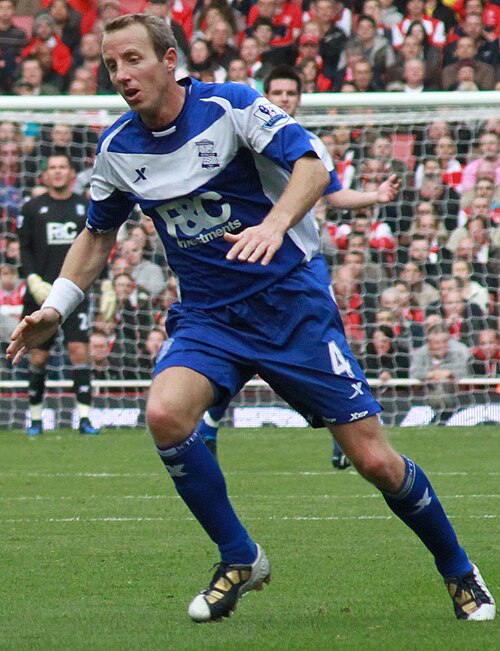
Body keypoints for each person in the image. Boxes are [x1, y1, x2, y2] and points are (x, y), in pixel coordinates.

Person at [7, 14, 495, 624]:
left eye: (133, 59)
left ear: (169, 58)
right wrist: (56, 306)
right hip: (209, 317)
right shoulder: (117, 149)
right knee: (163, 412)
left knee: (375, 461)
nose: (122, 75)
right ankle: (240, 557)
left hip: (291, 306)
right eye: (111, 65)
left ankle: (458, 570)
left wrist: (273, 223)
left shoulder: (232, 105)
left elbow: (313, 167)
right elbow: (96, 237)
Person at [197, 64, 350, 469]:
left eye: (289, 92)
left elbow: (334, 196)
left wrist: (377, 195)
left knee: (328, 343)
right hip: (256, 259)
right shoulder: (246, 135)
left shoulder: (313, 144)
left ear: (300, 97)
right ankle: (210, 423)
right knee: (243, 350)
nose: (283, 98)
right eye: (277, 91)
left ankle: (346, 434)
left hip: (303, 260)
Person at [16, 154, 100, 436]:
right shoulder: (31, 207)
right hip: (39, 293)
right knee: (38, 356)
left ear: (72, 172)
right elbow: (23, 248)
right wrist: (32, 279)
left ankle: (85, 418)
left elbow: (97, 247)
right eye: (52, 168)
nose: (57, 172)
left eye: (62, 167)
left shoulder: (84, 206)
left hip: (75, 291)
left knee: (79, 350)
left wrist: (108, 281)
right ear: (45, 175)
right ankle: (36, 419)